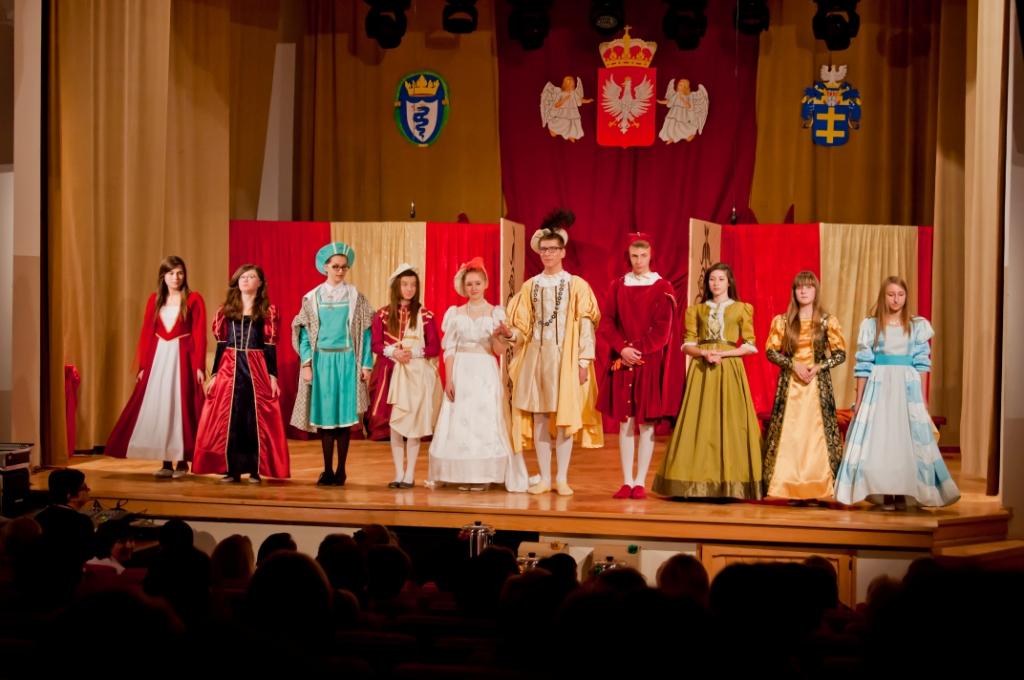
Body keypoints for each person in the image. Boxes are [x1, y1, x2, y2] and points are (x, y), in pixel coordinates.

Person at [497, 209, 602, 496]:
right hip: (537, 359)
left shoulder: (576, 285)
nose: (548, 254)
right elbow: (523, 329)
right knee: (541, 418)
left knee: (564, 419)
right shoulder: (530, 287)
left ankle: (562, 478)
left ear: (563, 251)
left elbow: (586, 325)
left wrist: (583, 361)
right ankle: (544, 477)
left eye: (553, 249)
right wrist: (510, 334)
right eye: (544, 249)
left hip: (565, 360)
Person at [834, 276, 959, 509]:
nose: (896, 299)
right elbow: (863, 364)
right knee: (881, 440)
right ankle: (884, 492)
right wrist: (859, 400)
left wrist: (922, 399)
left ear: (906, 297)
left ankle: (903, 492)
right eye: (891, 294)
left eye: (900, 295)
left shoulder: (917, 326)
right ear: (884, 296)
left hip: (906, 389)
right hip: (879, 387)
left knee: (904, 441)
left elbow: (922, 363)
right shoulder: (872, 325)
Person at [653, 263, 763, 500]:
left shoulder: (742, 308)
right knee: (699, 420)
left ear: (729, 282)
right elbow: (687, 344)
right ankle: (692, 482)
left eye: (721, 279)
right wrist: (704, 353)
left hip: (729, 369)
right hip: (702, 370)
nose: (716, 283)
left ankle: (731, 482)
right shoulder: (696, 310)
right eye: (712, 279)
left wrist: (724, 354)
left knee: (731, 422)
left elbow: (750, 345)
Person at [428, 257, 528, 492]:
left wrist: (499, 336)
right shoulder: (455, 313)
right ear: (464, 287)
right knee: (460, 420)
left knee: (483, 420)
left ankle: (484, 474)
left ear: (485, 284)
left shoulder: (495, 313)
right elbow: (449, 349)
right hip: (461, 370)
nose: (473, 288)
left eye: (477, 283)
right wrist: (449, 379)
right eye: (469, 284)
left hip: (484, 370)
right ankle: (462, 474)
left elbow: (498, 350)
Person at [105, 256, 206, 478]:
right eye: (171, 273)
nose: (176, 277)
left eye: (179, 273)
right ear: (163, 276)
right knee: (162, 407)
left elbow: (199, 334)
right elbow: (147, 333)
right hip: (160, 358)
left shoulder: (193, 299)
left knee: (180, 406)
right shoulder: (155, 300)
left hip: (181, 358)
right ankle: (166, 462)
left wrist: (199, 365)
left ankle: (182, 461)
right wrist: (143, 366)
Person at [193, 264, 290, 482]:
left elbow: (269, 346)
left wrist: (273, 376)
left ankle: (254, 469)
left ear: (260, 283)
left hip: (256, 367)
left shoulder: (267, 311)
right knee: (231, 418)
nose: (246, 280)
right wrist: (215, 375)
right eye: (242, 277)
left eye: (251, 276)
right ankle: (232, 469)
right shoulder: (225, 311)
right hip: (229, 366)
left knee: (253, 417)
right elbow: (221, 344)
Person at [598, 233, 677, 499]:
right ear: (628, 256)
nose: (639, 260)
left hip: (648, 363)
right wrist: (623, 348)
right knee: (625, 422)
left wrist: (637, 350)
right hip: (622, 360)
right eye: (634, 256)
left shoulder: (663, 287)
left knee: (646, 424)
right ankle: (627, 480)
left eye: (643, 255)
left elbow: (663, 329)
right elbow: (607, 322)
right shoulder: (618, 286)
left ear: (651, 255)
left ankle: (640, 481)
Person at [290, 242, 374, 486]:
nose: (340, 271)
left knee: (344, 421)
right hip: (322, 362)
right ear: (325, 267)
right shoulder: (312, 297)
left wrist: (365, 364)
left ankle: (341, 471)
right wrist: (306, 363)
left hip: (347, 361)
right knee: (326, 421)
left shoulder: (356, 297)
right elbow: (303, 333)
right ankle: (327, 470)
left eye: (344, 267)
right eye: (335, 266)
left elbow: (367, 332)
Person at [762, 271, 847, 502]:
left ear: (815, 291)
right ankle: (787, 485)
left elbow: (840, 354)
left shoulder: (827, 321)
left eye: (808, 287)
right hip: (791, 386)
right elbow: (770, 351)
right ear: (794, 291)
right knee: (792, 435)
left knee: (815, 437)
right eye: (800, 287)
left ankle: (818, 486)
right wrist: (793, 364)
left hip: (817, 388)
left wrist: (820, 366)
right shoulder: (783, 321)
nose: (804, 291)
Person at [369, 265, 442, 488]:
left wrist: (412, 353)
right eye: (405, 284)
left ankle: (410, 474)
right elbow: (375, 344)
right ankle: (398, 473)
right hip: (390, 375)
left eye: (413, 285)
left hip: (414, 376)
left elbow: (434, 347)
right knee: (396, 424)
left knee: (413, 425)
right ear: (396, 287)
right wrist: (393, 352)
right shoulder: (382, 314)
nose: (409, 289)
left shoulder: (425, 315)